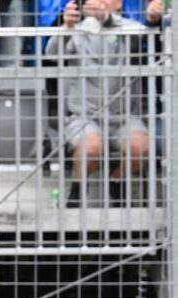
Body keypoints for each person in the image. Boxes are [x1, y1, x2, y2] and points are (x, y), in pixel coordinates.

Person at [46, 0, 153, 207]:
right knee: (91, 148)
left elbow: (143, 36)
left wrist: (108, 20)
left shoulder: (128, 27)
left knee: (143, 148)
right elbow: (51, 54)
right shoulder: (77, 28)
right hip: (85, 117)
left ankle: (117, 179)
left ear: (119, 5)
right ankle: (77, 189)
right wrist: (66, 27)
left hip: (124, 118)